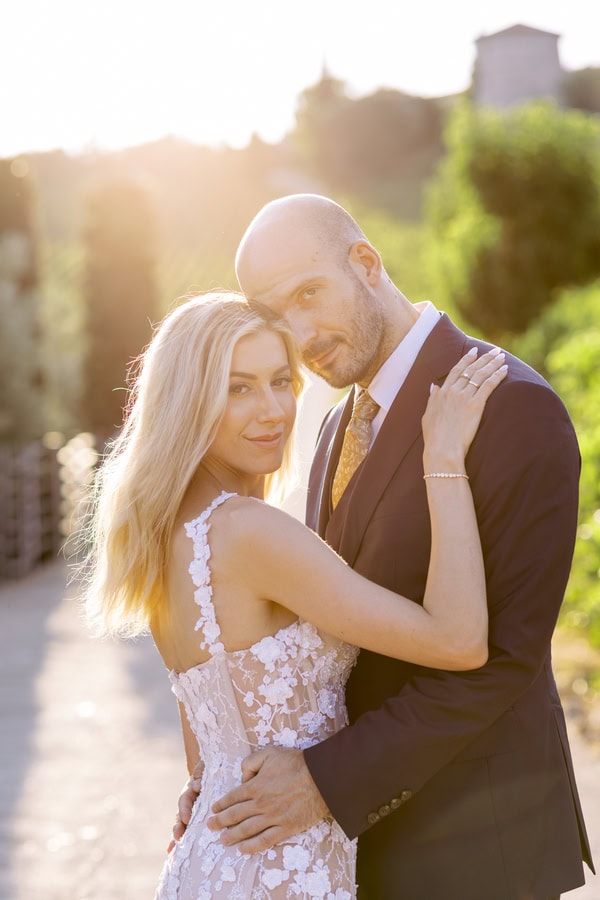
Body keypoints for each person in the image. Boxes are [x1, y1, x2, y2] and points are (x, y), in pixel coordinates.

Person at [185, 195, 595, 900]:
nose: (301, 334)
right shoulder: (332, 428)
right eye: (276, 315)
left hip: (481, 849)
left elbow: (503, 661)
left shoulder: (511, 405)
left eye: (309, 294)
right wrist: (228, 772)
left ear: (367, 263)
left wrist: (325, 780)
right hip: (364, 847)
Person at [83, 289, 505, 900]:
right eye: (239, 388)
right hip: (276, 869)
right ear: (189, 402)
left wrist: (208, 782)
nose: (273, 409)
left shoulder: (165, 537)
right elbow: (459, 640)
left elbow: (209, 748)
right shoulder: (247, 531)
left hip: (221, 858)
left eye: (281, 381)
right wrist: (442, 456)